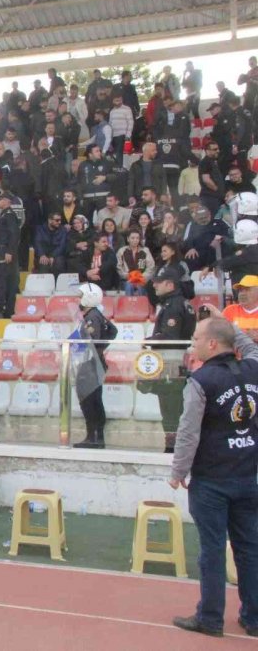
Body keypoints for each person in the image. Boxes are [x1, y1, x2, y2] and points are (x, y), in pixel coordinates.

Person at [169, 317, 258, 638]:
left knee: (213, 549)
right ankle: (254, 617)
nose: (192, 346)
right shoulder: (253, 368)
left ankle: (210, 617)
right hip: (248, 474)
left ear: (211, 344)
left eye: (195, 339)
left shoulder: (200, 381)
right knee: (249, 548)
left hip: (212, 479)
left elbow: (188, 432)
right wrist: (230, 325)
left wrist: (178, 471)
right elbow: (250, 348)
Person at [143, 266, 197, 453]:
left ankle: (174, 447)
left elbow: (169, 336)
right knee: (175, 407)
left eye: (158, 282)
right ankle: (177, 445)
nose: (155, 285)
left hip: (171, 363)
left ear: (169, 284)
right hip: (176, 361)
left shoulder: (173, 305)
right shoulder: (182, 303)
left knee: (170, 408)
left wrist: (146, 341)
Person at [72, 284, 118, 449]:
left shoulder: (92, 316)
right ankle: (95, 437)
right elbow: (113, 331)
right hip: (93, 362)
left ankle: (93, 437)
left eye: (80, 296)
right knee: (93, 400)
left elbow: (89, 341)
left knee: (89, 401)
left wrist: (97, 348)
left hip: (90, 363)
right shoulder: (95, 314)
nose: (78, 299)